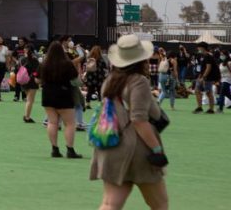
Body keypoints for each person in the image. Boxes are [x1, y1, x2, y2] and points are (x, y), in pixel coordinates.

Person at [90, 34, 169, 210]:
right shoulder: (139, 81)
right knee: (160, 203)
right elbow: (139, 120)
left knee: (110, 203)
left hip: (111, 145)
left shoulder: (110, 80)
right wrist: (157, 150)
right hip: (137, 149)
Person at [39, 41, 82, 159]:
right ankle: (70, 150)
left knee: (52, 122)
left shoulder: (44, 64)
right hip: (64, 95)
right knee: (69, 124)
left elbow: (38, 80)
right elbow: (75, 79)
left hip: (47, 94)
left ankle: (55, 149)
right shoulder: (67, 64)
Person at [193, 42, 219, 114]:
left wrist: (203, 78)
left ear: (202, 48)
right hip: (203, 76)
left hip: (208, 77)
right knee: (197, 90)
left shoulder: (208, 56)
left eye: (199, 47)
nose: (198, 49)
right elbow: (203, 68)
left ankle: (211, 109)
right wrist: (200, 76)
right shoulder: (203, 56)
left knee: (208, 92)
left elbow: (208, 68)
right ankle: (199, 107)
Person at [20, 48, 40, 123]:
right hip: (32, 81)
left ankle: (27, 115)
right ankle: (27, 117)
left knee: (28, 99)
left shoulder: (22, 60)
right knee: (30, 100)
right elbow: (37, 71)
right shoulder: (35, 60)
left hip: (23, 80)